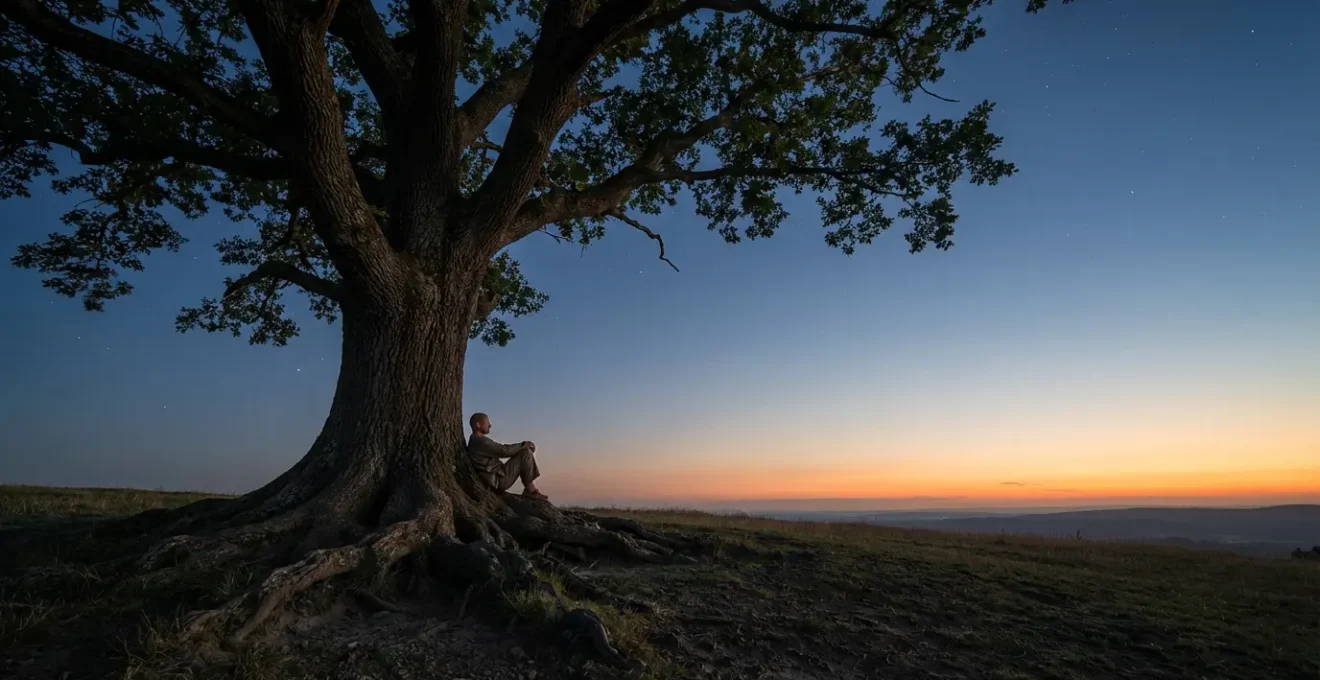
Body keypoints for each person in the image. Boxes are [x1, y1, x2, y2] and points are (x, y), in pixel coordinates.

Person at [466, 412, 547, 500]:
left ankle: (530, 490)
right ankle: (531, 491)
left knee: (524, 452)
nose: (490, 425)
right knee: (525, 453)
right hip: (498, 481)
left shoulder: (475, 440)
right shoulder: (480, 441)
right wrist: (524, 444)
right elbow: (504, 450)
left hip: (498, 478)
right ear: (478, 424)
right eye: (487, 422)